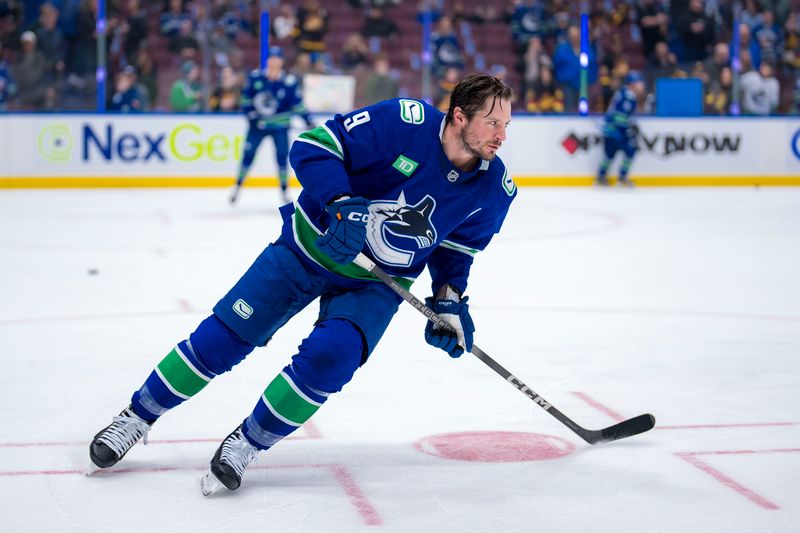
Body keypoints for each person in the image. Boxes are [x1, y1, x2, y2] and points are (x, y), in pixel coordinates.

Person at [88, 73, 516, 495]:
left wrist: (447, 300)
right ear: (459, 116)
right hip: (307, 249)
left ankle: (248, 442)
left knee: (332, 359)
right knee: (225, 338)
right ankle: (137, 416)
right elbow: (314, 146)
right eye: (492, 123)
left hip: (374, 284)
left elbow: (457, 249)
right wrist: (341, 204)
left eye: (506, 126)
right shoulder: (403, 122)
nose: (501, 136)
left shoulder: (495, 189)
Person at [230, 46, 313, 204]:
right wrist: (252, 116)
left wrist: (308, 120)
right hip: (257, 127)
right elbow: (245, 99)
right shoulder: (256, 78)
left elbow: (298, 105)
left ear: (281, 61)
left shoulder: (288, 82)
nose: (274, 62)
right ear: (267, 60)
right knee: (248, 155)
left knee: (282, 157)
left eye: (277, 59)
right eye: (271, 58)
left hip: (280, 127)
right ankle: (237, 186)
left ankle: (284, 190)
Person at [597, 70, 645, 187]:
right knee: (626, 152)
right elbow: (619, 116)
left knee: (611, 154)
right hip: (616, 130)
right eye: (639, 82)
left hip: (612, 129)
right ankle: (619, 176)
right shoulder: (628, 97)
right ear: (633, 83)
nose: (642, 85)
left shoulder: (625, 93)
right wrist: (629, 127)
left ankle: (602, 176)